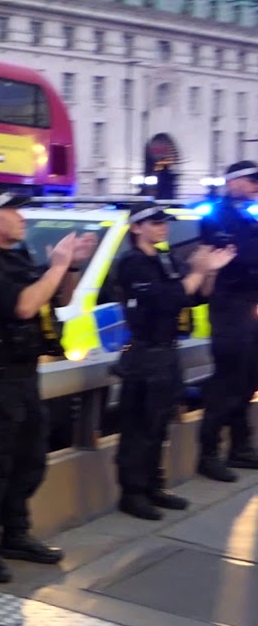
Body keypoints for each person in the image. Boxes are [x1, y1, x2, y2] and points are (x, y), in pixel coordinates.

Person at [0, 188, 94, 584]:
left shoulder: (17, 257)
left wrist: (68, 269)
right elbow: (23, 306)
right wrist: (56, 266)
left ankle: (16, 534)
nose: (21, 218)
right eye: (13, 211)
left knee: (31, 461)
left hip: (26, 375)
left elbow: (54, 301)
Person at [113, 203, 235, 519]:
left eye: (164, 222)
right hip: (145, 353)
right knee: (139, 428)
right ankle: (133, 493)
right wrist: (197, 271)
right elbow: (168, 299)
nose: (162, 227)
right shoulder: (132, 263)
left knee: (159, 425)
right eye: (155, 222)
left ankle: (154, 486)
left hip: (168, 353)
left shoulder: (165, 258)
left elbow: (196, 297)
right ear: (137, 228)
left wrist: (209, 271)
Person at [197, 161, 258, 482]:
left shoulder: (249, 215)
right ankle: (209, 453)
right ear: (232, 183)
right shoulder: (217, 217)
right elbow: (240, 259)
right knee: (228, 383)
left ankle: (241, 447)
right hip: (229, 306)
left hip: (250, 305)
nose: (255, 187)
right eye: (250, 181)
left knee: (248, 380)